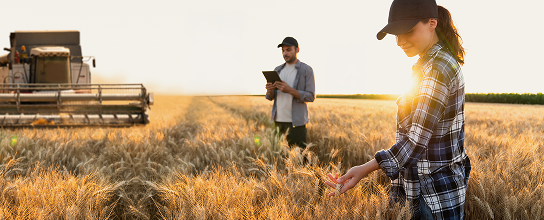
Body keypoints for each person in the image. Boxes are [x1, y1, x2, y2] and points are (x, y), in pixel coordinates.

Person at [325, 0, 471, 219]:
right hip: (429, 189)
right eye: (396, 34)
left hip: (431, 196)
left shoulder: (437, 69)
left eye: (408, 32)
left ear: (432, 23)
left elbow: (415, 143)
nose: (399, 41)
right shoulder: (431, 63)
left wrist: (364, 169)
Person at [265, 37, 315, 149]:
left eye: (288, 50)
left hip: (296, 124)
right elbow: (271, 97)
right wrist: (270, 91)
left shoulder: (306, 70)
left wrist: (289, 90)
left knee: (300, 159)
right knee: (278, 159)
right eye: (283, 50)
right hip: (278, 122)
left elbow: (311, 96)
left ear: (297, 50)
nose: (285, 53)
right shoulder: (277, 70)